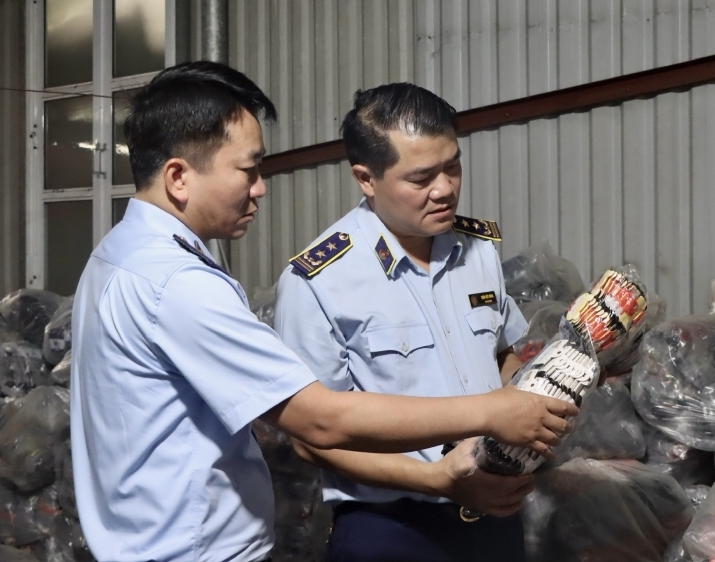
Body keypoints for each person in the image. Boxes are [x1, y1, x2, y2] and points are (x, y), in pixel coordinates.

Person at [70, 62, 576, 562]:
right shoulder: (182, 282)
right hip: (342, 531)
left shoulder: (120, 257)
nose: (261, 187)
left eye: (452, 167)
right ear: (179, 177)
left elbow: (501, 354)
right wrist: (488, 418)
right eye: (248, 169)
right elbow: (318, 422)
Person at [275, 83, 537, 562]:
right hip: (391, 527)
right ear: (366, 178)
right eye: (421, 178)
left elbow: (502, 355)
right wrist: (435, 479)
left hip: (494, 513)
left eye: (452, 166)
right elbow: (310, 438)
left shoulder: (477, 250)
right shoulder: (320, 279)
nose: (445, 189)